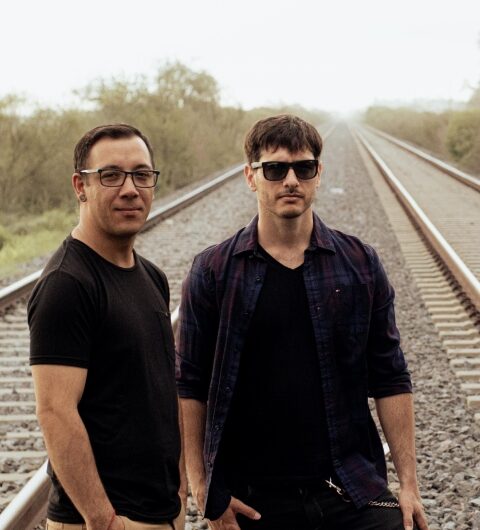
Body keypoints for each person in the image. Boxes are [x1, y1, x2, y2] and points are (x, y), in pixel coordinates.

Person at [176, 115, 429, 530]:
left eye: (303, 168)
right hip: (252, 497)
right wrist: (202, 488)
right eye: (275, 169)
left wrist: (409, 485)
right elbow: (189, 383)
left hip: (349, 489)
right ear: (251, 177)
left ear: (318, 174)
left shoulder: (360, 264)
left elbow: (390, 376)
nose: (291, 180)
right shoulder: (214, 271)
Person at [28, 124, 185, 530]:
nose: (130, 189)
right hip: (104, 519)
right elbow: (55, 411)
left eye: (141, 174)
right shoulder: (67, 284)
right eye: (111, 175)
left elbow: (160, 392)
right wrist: (103, 520)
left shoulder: (151, 277)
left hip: (159, 513)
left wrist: (180, 494)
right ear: (80, 186)